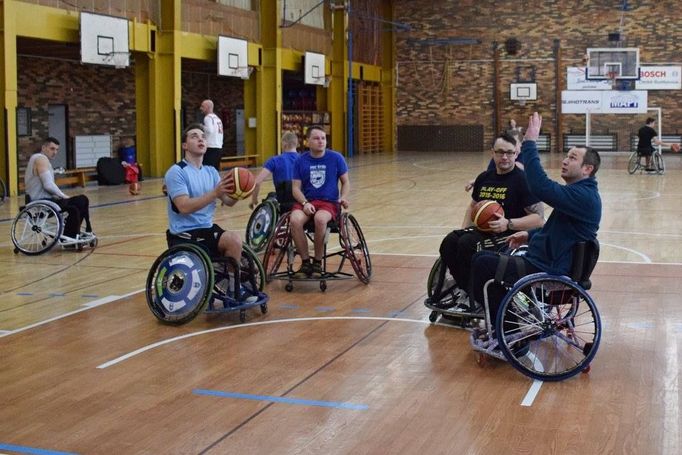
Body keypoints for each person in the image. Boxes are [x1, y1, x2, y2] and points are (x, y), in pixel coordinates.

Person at [470, 112, 602, 324]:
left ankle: (509, 328)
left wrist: (530, 142)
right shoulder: (579, 194)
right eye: (567, 156)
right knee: (482, 259)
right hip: (547, 261)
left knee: (482, 263)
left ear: (587, 169)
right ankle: (505, 317)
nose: (565, 161)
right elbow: (561, 232)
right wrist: (529, 235)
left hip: (548, 269)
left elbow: (540, 186)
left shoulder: (583, 196)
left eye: (572, 158)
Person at [430, 132, 545, 308]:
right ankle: (468, 290)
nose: (504, 157)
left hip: (507, 235)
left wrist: (509, 223)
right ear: (493, 152)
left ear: (516, 154)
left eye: (509, 152)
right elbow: (473, 206)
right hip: (482, 233)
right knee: (450, 241)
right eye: (500, 152)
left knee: (467, 244)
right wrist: (462, 230)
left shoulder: (523, 180)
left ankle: (477, 295)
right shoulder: (484, 178)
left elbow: (538, 219)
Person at [164, 124, 244, 287]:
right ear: (184, 146)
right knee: (231, 241)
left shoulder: (211, 172)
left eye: (203, 136)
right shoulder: (176, 171)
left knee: (235, 241)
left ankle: (234, 286)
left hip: (207, 229)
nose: (200, 138)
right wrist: (215, 193)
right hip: (184, 233)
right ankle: (231, 283)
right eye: (194, 136)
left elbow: (228, 202)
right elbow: (184, 207)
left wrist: (240, 192)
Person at [290, 125, 350, 276]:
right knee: (295, 220)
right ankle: (305, 263)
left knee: (320, 219)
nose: (321, 141)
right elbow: (296, 188)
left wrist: (343, 197)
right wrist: (304, 203)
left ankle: (317, 262)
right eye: (316, 138)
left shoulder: (336, 158)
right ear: (308, 141)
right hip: (308, 201)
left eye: (323, 138)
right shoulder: (300, 161)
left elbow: (346, 182)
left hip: (328, 202)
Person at [24, 137, 94, 240]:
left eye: (57, 149)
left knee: (79, 202)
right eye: (52, 149)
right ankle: (70, 235)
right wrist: (63, 196)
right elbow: (48, 185)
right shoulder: (41, 159)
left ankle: (72, 233)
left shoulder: (39, 159)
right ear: (44, 148)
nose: (55, 152)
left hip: (43, 200)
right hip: (42, 201)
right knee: (81, 200)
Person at [249, 131, 300, 212]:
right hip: (301, 202)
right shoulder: (305, 160)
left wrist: (254, 200)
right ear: (297, 144)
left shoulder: (274, 160)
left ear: (284, 144)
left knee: (271, 197)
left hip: (283, 202)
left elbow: (257, 182)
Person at [200, 99, 224, 170]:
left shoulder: (207, 118)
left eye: (202, 106)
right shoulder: (218, 119)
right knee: (215, 171)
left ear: (207, 107)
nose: (200, 108)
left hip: (210, 147)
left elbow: (210, 130)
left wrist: (201, 126)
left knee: (206, 170)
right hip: (219, 147)